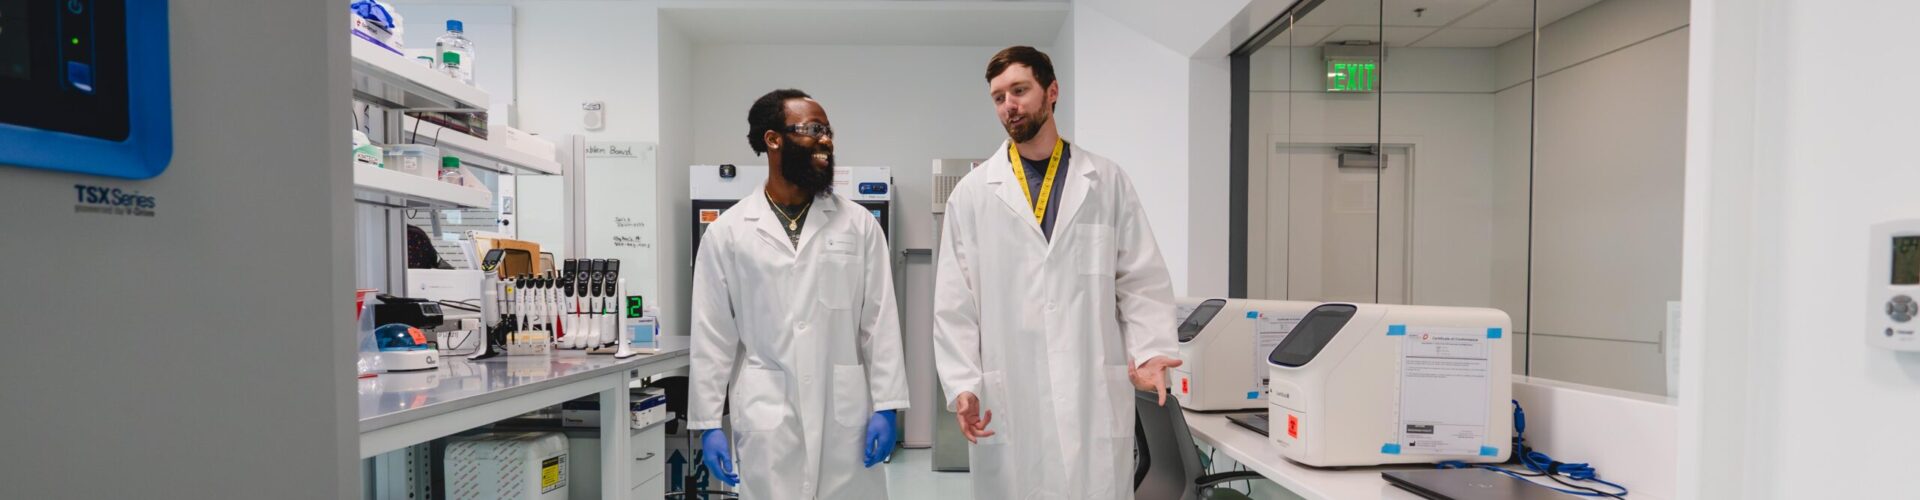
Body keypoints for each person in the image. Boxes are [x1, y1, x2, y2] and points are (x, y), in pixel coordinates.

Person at [932, 46, 1185, 499]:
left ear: (1051, 92)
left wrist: (1149, 351)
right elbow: (955, 302)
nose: (1009, 104)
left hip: (1091, 389)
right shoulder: (971, 196)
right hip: (1010, 393)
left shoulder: (1105, 181)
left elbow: (1140, 276)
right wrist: (963, 384)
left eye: (1019, 90)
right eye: (998, 97)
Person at [687, 89, 909, 499]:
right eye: (814, 130)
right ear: (774, 139)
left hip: (843, 412)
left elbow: (879, 322)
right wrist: (707, 422)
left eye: (828, 131)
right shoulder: (728, 233)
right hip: (767, 410)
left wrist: (887, 405)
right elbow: (713, 333)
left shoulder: (858, 226)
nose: (827, 140)